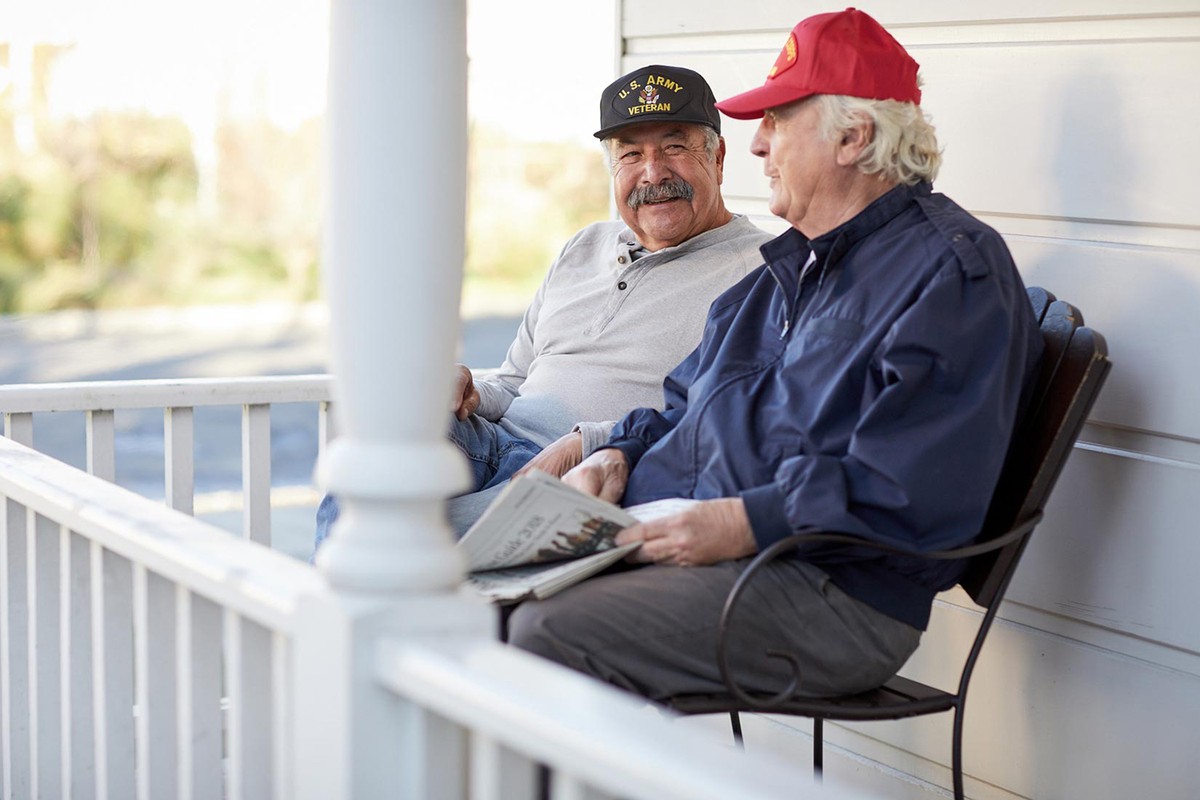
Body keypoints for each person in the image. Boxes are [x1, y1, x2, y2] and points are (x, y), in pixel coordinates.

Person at [507, 8, 1045, 701]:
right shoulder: (784, 273)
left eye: (778, 121)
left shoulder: (951, 272)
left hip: (828, 589)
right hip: (709, 543)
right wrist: (619, 455)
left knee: (542, 633)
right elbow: (685, 406)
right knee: (479, 599)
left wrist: (739, 522)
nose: (758, 146)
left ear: (853, 136)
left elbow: (913, 487)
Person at [313, 64, 772, 553]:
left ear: (717, 157)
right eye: (630, 154)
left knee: (385, 538)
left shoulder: (762, 270)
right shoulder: (584, 246)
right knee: (379, 450)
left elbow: (718, 419)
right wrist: (471, 391)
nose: (653, 172)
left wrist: (590, 441)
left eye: (674, 147)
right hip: (491, 444)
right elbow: (514, 382)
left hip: (594, 472)